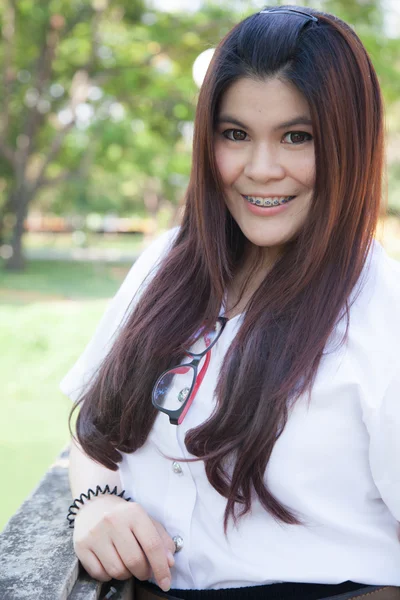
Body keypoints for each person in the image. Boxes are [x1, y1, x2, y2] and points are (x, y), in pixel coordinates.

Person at [60, 5, 400, 600]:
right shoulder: (169, 264)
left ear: (351, 143)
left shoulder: (383, 315)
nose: (260, 169)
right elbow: (96, 430)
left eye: (298, 137)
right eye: (235, 134)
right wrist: (95, 503)